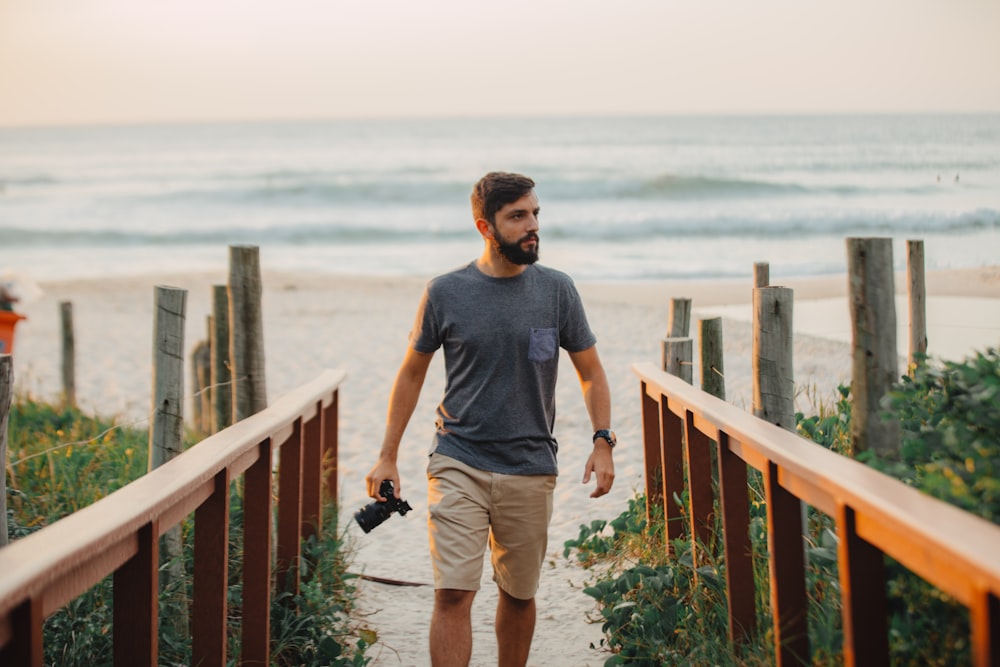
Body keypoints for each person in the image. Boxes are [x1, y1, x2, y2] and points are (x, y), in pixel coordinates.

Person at [364, 171, 616, 667]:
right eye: (518, 216)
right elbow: (412, 374)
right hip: (459, 459)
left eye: (535, 213)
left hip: (531, 464)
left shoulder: (558, 291)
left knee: (518, 595)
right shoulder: (445, 292)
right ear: (486, 227)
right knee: (453, 594)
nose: (532, 225)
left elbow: (591, 372)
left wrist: (602, 440)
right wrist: (386, 456)